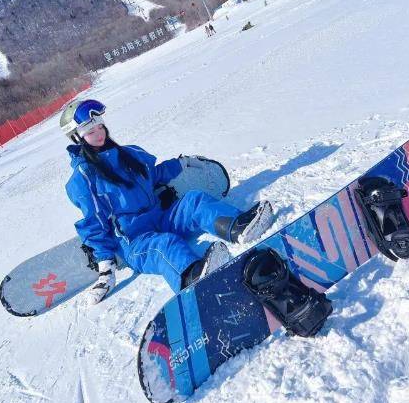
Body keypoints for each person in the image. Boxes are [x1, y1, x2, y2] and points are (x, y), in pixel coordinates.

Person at [60, 99, 273, 304]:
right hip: (135, 241)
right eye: (90, 132)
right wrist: (106, 269)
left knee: (193, 200)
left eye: (100, 127)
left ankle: (239, 227)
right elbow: (94, 223)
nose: (99, 134)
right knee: (165, 245)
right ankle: (193, 277)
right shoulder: (85, 177)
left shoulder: (128, 154)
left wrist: (183, 163)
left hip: (160, 219)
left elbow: (155, 174)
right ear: (77, 138)